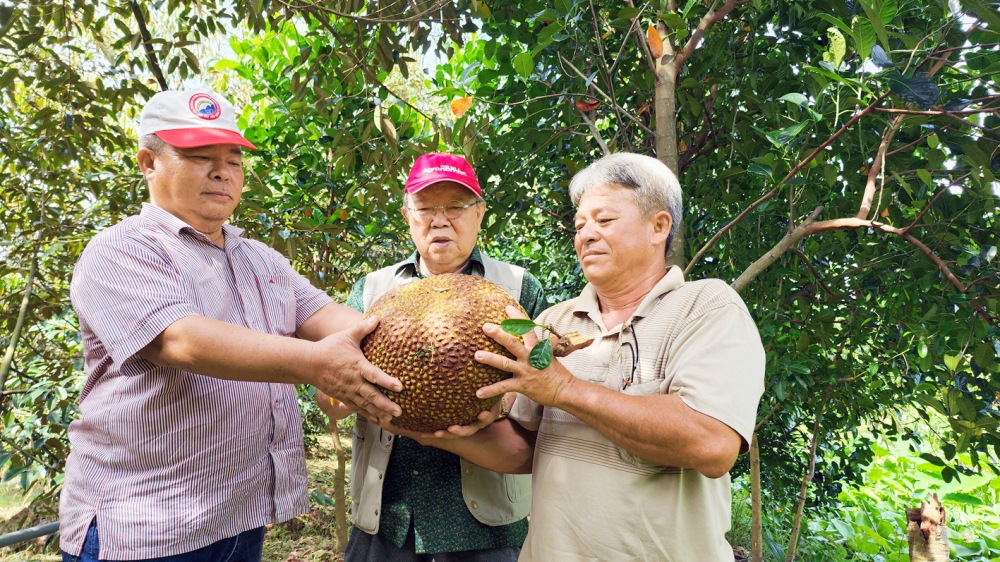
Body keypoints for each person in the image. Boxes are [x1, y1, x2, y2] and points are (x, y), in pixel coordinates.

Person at [61, 86, 403, 562]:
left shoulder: (259, 258)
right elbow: (183, 340)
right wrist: (317, 365)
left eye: (235, 160)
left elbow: (332, 318)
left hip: (240, 518)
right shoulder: (120, 250)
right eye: (200, 156)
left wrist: (415, 336)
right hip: (148, 528)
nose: (223, 171)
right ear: (148, 162)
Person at [391, 152, 766, 561]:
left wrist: (564, 388)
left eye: (604, 221)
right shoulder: (555, 321)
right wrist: (424, 427)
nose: (586, 235)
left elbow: (712, 444)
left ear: (659, 227)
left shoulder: (707, 307)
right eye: (580, 225)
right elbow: (526, 449)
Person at [316, 153, 547, 561]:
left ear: (480, 214)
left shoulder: (518, 289)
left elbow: (544, 392)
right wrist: (348, 393)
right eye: (425, 208)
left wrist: (503, 402)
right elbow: (330, 396)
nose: (439, 220)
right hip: (389, 517)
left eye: (456, 207)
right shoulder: (371, 292)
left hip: (485, 525)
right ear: (409, 217)